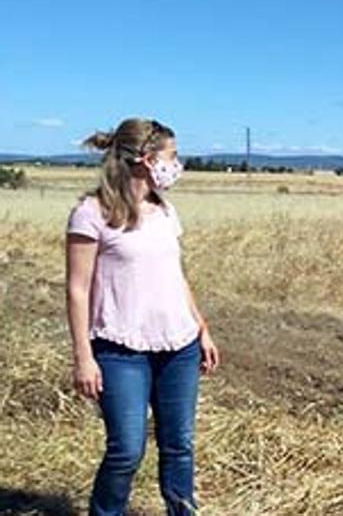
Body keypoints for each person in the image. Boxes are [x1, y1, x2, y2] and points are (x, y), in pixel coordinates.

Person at [65, 118, 220, 516]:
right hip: (120, 349)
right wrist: (84, 356)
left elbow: (176, 277)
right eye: (173, 156)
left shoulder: (164, 211)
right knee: (125, 451)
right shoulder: (91, 213)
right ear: (146, 160)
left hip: (178, 346)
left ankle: (182, 510)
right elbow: (77, 289)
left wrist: (201, 329)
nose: (177, 164)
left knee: (179, 445)